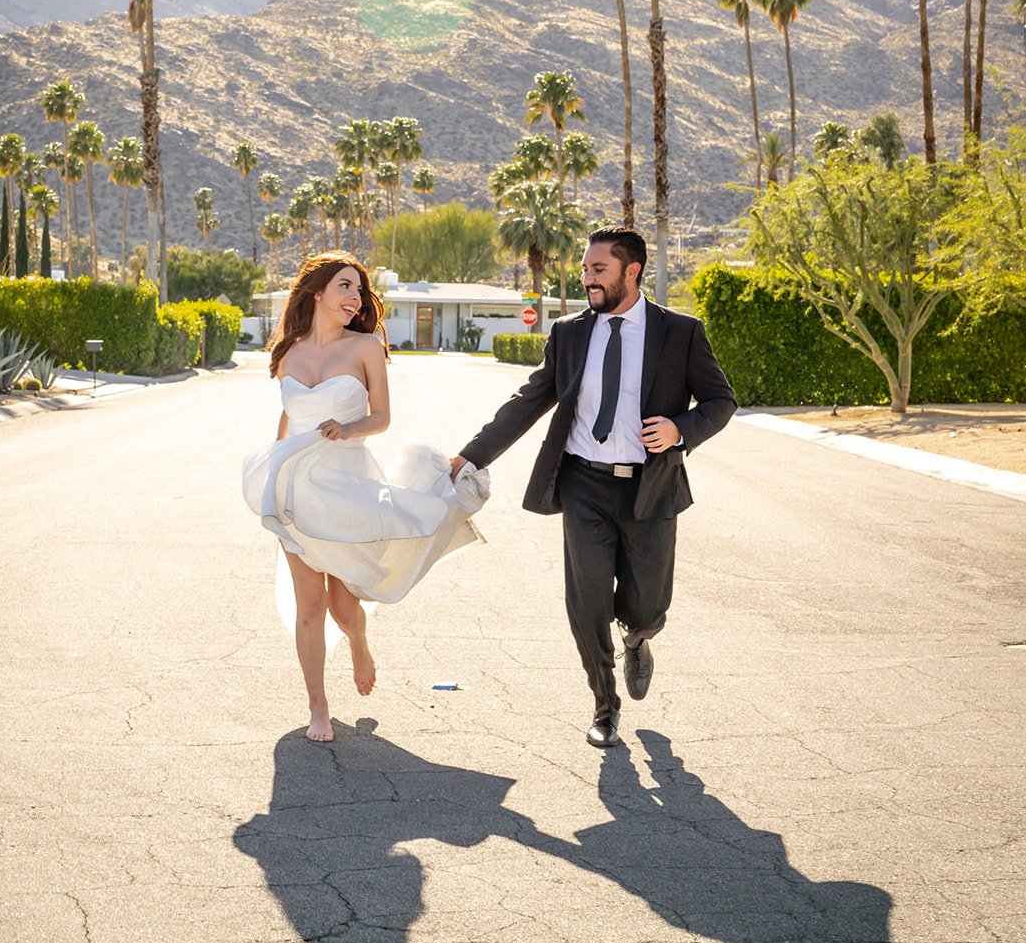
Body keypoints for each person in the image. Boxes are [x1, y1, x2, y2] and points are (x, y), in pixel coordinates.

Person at [450, 225, 736, 749]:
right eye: (584, 270)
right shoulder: (570, 332)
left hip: (650, 487)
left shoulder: (680, 332)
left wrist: (680, 430)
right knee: (586, 604)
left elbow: (721, 402)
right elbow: (529, 400)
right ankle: (605, 706)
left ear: (633, 271)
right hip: (583, 484)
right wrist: (472, 454)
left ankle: (640, 637)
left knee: (648, 603)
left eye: (598, 270)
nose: (587, 279)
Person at [243, 252, 488, 743]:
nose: (355, 298)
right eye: (345, 287)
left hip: (348, 486)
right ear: (317, 293)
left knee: (340, 605)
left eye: (359, 289)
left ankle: (358, 641)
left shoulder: (366, 347)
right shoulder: (288, 352)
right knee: (308, 606)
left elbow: (382, 418)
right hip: (297, 491)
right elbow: (288, 421)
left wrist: (347, 427)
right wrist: (273, 470)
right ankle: (319, 706)